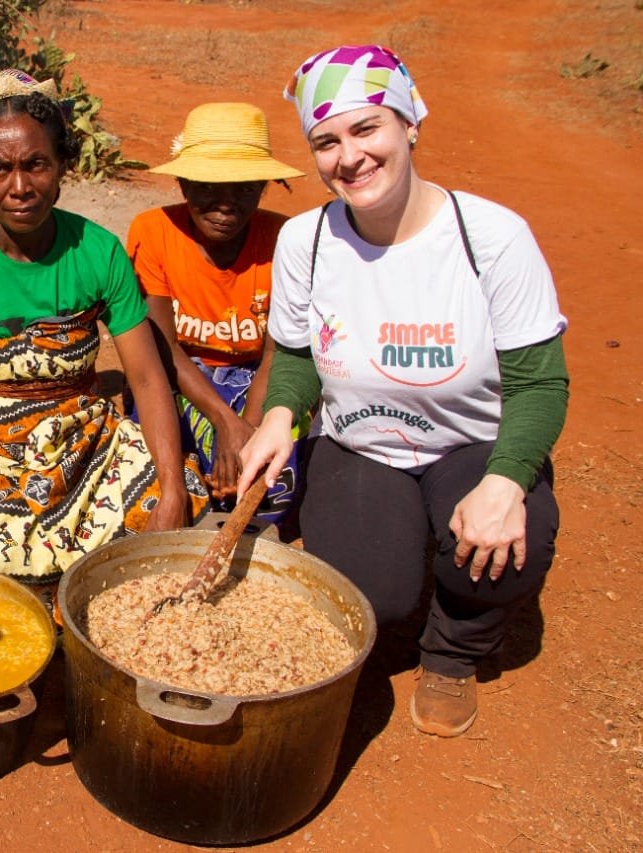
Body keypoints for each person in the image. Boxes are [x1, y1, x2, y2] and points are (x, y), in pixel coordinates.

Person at [237, 45, 568, 737]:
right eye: (326, 141)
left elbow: (539, 381)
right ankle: (395, 613)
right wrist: (278, 416)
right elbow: (296, 354)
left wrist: (508, 481)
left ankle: (453, 650)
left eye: (367, 129)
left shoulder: (492, 238)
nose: (348, 157)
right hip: (362, 445)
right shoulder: (308, 240)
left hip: (471, 444)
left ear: (410, 121)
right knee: (367, 593)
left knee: (513, 544)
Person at [0, 85, 210, 585]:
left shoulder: (98, 251)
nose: (20, 186)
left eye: (37, 164)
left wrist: (171, 484)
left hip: (82, 446)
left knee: (169, 501)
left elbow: (145, 376)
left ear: (62, 166)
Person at [126, 102, 306, 522]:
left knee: (272, 486)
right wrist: (225, 422)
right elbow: (163, 348)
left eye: (244, 188)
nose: (226, 204)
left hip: (254, 379)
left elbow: (275, 355)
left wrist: (250, 429)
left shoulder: (284, 239)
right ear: (183, 184)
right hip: (180, 374)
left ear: (263, 187)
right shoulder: (153, 232)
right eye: (208, 186)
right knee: (157, 476)